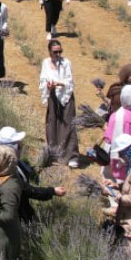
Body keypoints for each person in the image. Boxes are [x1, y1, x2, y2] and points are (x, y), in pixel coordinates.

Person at [0, 127, 66, 223]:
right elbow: (29, 191)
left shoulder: (13, 162)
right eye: (18, 145)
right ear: (10, 149)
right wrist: (53, 191)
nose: (22, 145)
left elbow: (28, 171)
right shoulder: (7, 172)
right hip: (17, 219)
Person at [40, 40, 79, 168]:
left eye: (59, 51)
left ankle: (71, 155)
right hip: (53, 95)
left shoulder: (66, 63)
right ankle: (55, 153)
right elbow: (43, 78)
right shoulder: (46, 63)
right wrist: (49, 86)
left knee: (68, 124)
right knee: (53, 124)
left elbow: (69, 80)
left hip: (65, 96)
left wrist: (58, 84)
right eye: (55, 52)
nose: (58, 54)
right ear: (50, 52)